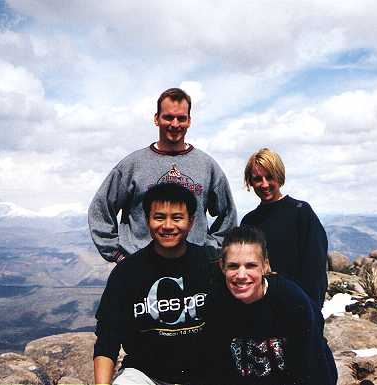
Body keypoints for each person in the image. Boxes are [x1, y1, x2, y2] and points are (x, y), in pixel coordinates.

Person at [88, 87, 237, 263]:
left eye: (181, 118)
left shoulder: (207, 166)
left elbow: (228, 214)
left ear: (189, 121)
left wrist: (210, 252)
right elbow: (100, 208)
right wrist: (118, 255)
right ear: (156, 119)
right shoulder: (132, 165)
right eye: (168, 117)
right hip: (141, 267)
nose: (175, 124)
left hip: (193, 267)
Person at [93, 183, 215, 385]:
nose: (168, 226)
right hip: (145, 375)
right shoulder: (127, 272)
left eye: (177, 218)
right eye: (159, 217)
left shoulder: (210, 265)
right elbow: (108, 338)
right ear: (147, 220)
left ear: (191, 221)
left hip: (203, 374)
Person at [205, 226, 337, 385]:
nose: (241, 275)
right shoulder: (217, 303)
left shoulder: (291, 301)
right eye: (233, 266)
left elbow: (313, 368)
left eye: (250, 265)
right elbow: (216, 369)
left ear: (265, 265)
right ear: (222, 266)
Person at [240, 148, 328, 306]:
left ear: (279, 177)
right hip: (262, 307)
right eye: (257, 179)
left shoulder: (301, 212)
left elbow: (316, 269)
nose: (264, 184)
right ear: (250, 182)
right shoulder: (249, 221)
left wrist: (312, 309)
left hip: (300, 305)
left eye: (269, 177)